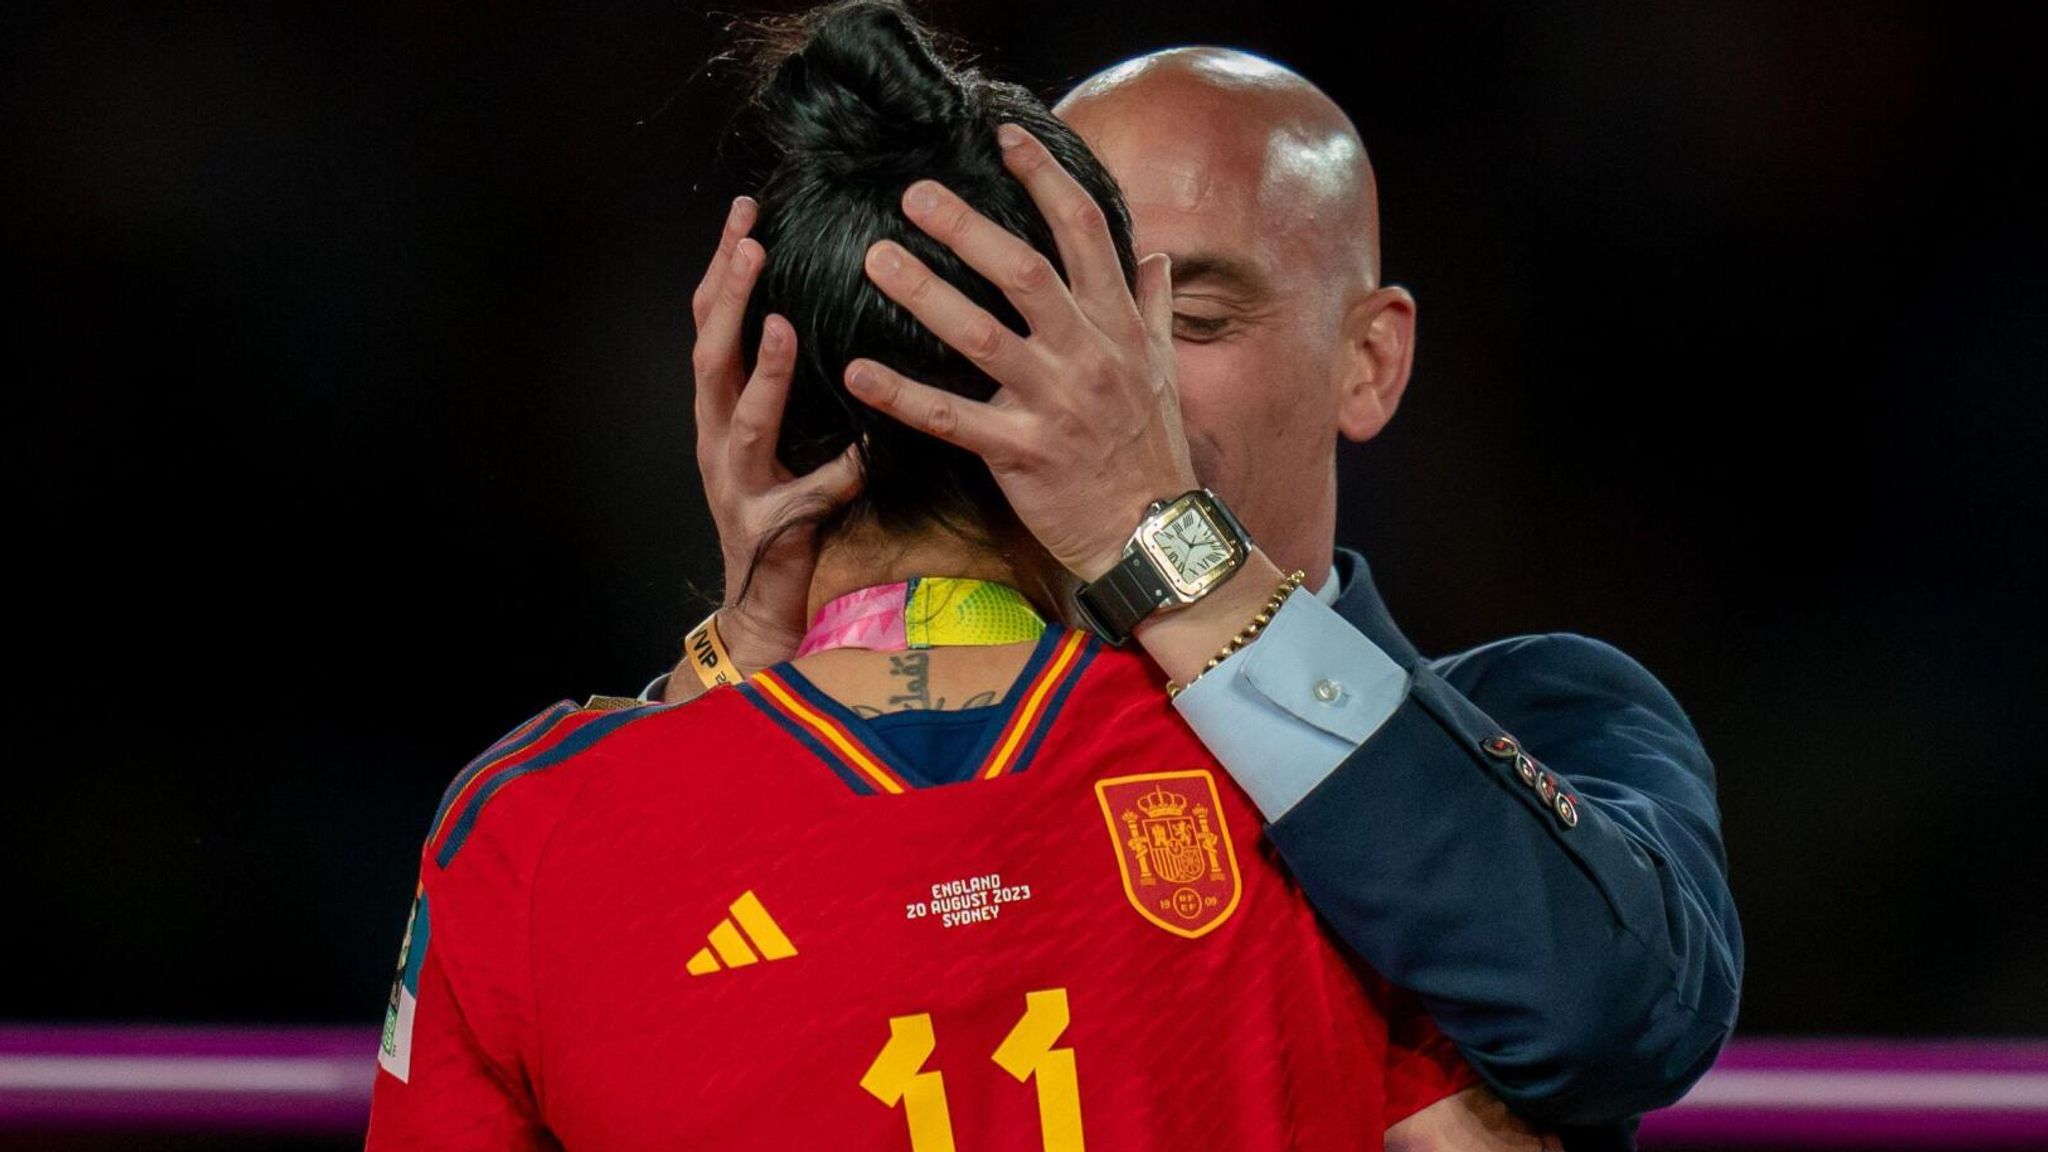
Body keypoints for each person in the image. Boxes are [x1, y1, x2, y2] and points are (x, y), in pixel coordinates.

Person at [367, 3, 1552, 1147]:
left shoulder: (524, 836)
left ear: (757, 396)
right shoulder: (1312, 796)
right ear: (1108, 380)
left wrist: (721, 668)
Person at [655, 32, 1741, 1152]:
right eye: (1074, 311)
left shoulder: (1548, 708)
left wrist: (1159, 544)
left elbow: (1620, 1018)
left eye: (1193, 323)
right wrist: (756, 651)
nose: (1126, 377)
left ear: (1367, 362)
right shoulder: (908, 745)